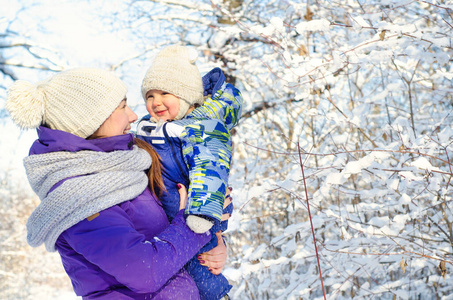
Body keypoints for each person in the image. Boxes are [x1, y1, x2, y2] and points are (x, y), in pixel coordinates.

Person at [6, 67, 231, 300]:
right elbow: (146, 270)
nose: (133, 115)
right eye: (123, 106)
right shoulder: (78, 197)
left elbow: (168, 232)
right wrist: (194, 228)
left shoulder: (128, 163)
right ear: (92, 120)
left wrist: (213, 244)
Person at [137, 45, 243, 300]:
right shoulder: (151, 129)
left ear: (187, 97)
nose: (155, 102)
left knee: (204, 274)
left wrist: (203, 213)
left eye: (165, 93)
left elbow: (210, 168)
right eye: (149, 95)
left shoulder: (202, 128)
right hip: (171, 225)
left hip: (195, 219)